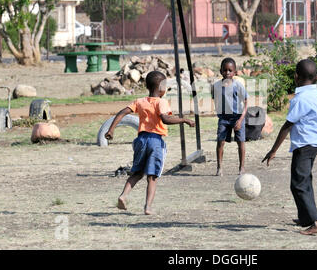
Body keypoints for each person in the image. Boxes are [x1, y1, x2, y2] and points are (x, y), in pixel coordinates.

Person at [105, 70, 195, 214]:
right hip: (155, 141)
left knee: (137, 173)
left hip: (141, 140)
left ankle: (123, 195)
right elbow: (165, 119)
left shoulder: (140, 101)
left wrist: (111, 130)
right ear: (161, 87)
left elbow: (122, 112)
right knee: (152, 177)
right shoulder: (162, 102)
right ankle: (148, 207)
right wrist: (184, 119)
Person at [262, 59, 317, 235]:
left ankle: (316, 223)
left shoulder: (300, 100)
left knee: (299, 184)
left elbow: (287, 126)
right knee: (304, 182)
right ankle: (306, 218)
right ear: (316, 77)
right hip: (312, 146)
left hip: (304, 146)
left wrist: (273, 150)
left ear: (296, 77)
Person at [212, 58, 248, 176]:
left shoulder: (238, 85)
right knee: (220, 142)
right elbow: (216, 99)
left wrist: (241, 119)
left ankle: (241, 167)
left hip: (237, 117)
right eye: (225, 70)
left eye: (230, 70)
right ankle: (219, 167)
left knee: (240, 141)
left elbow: (246, 102)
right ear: (220, 71)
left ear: (235, 72)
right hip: (224, 118)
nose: (227, 73)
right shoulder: (216, 86)